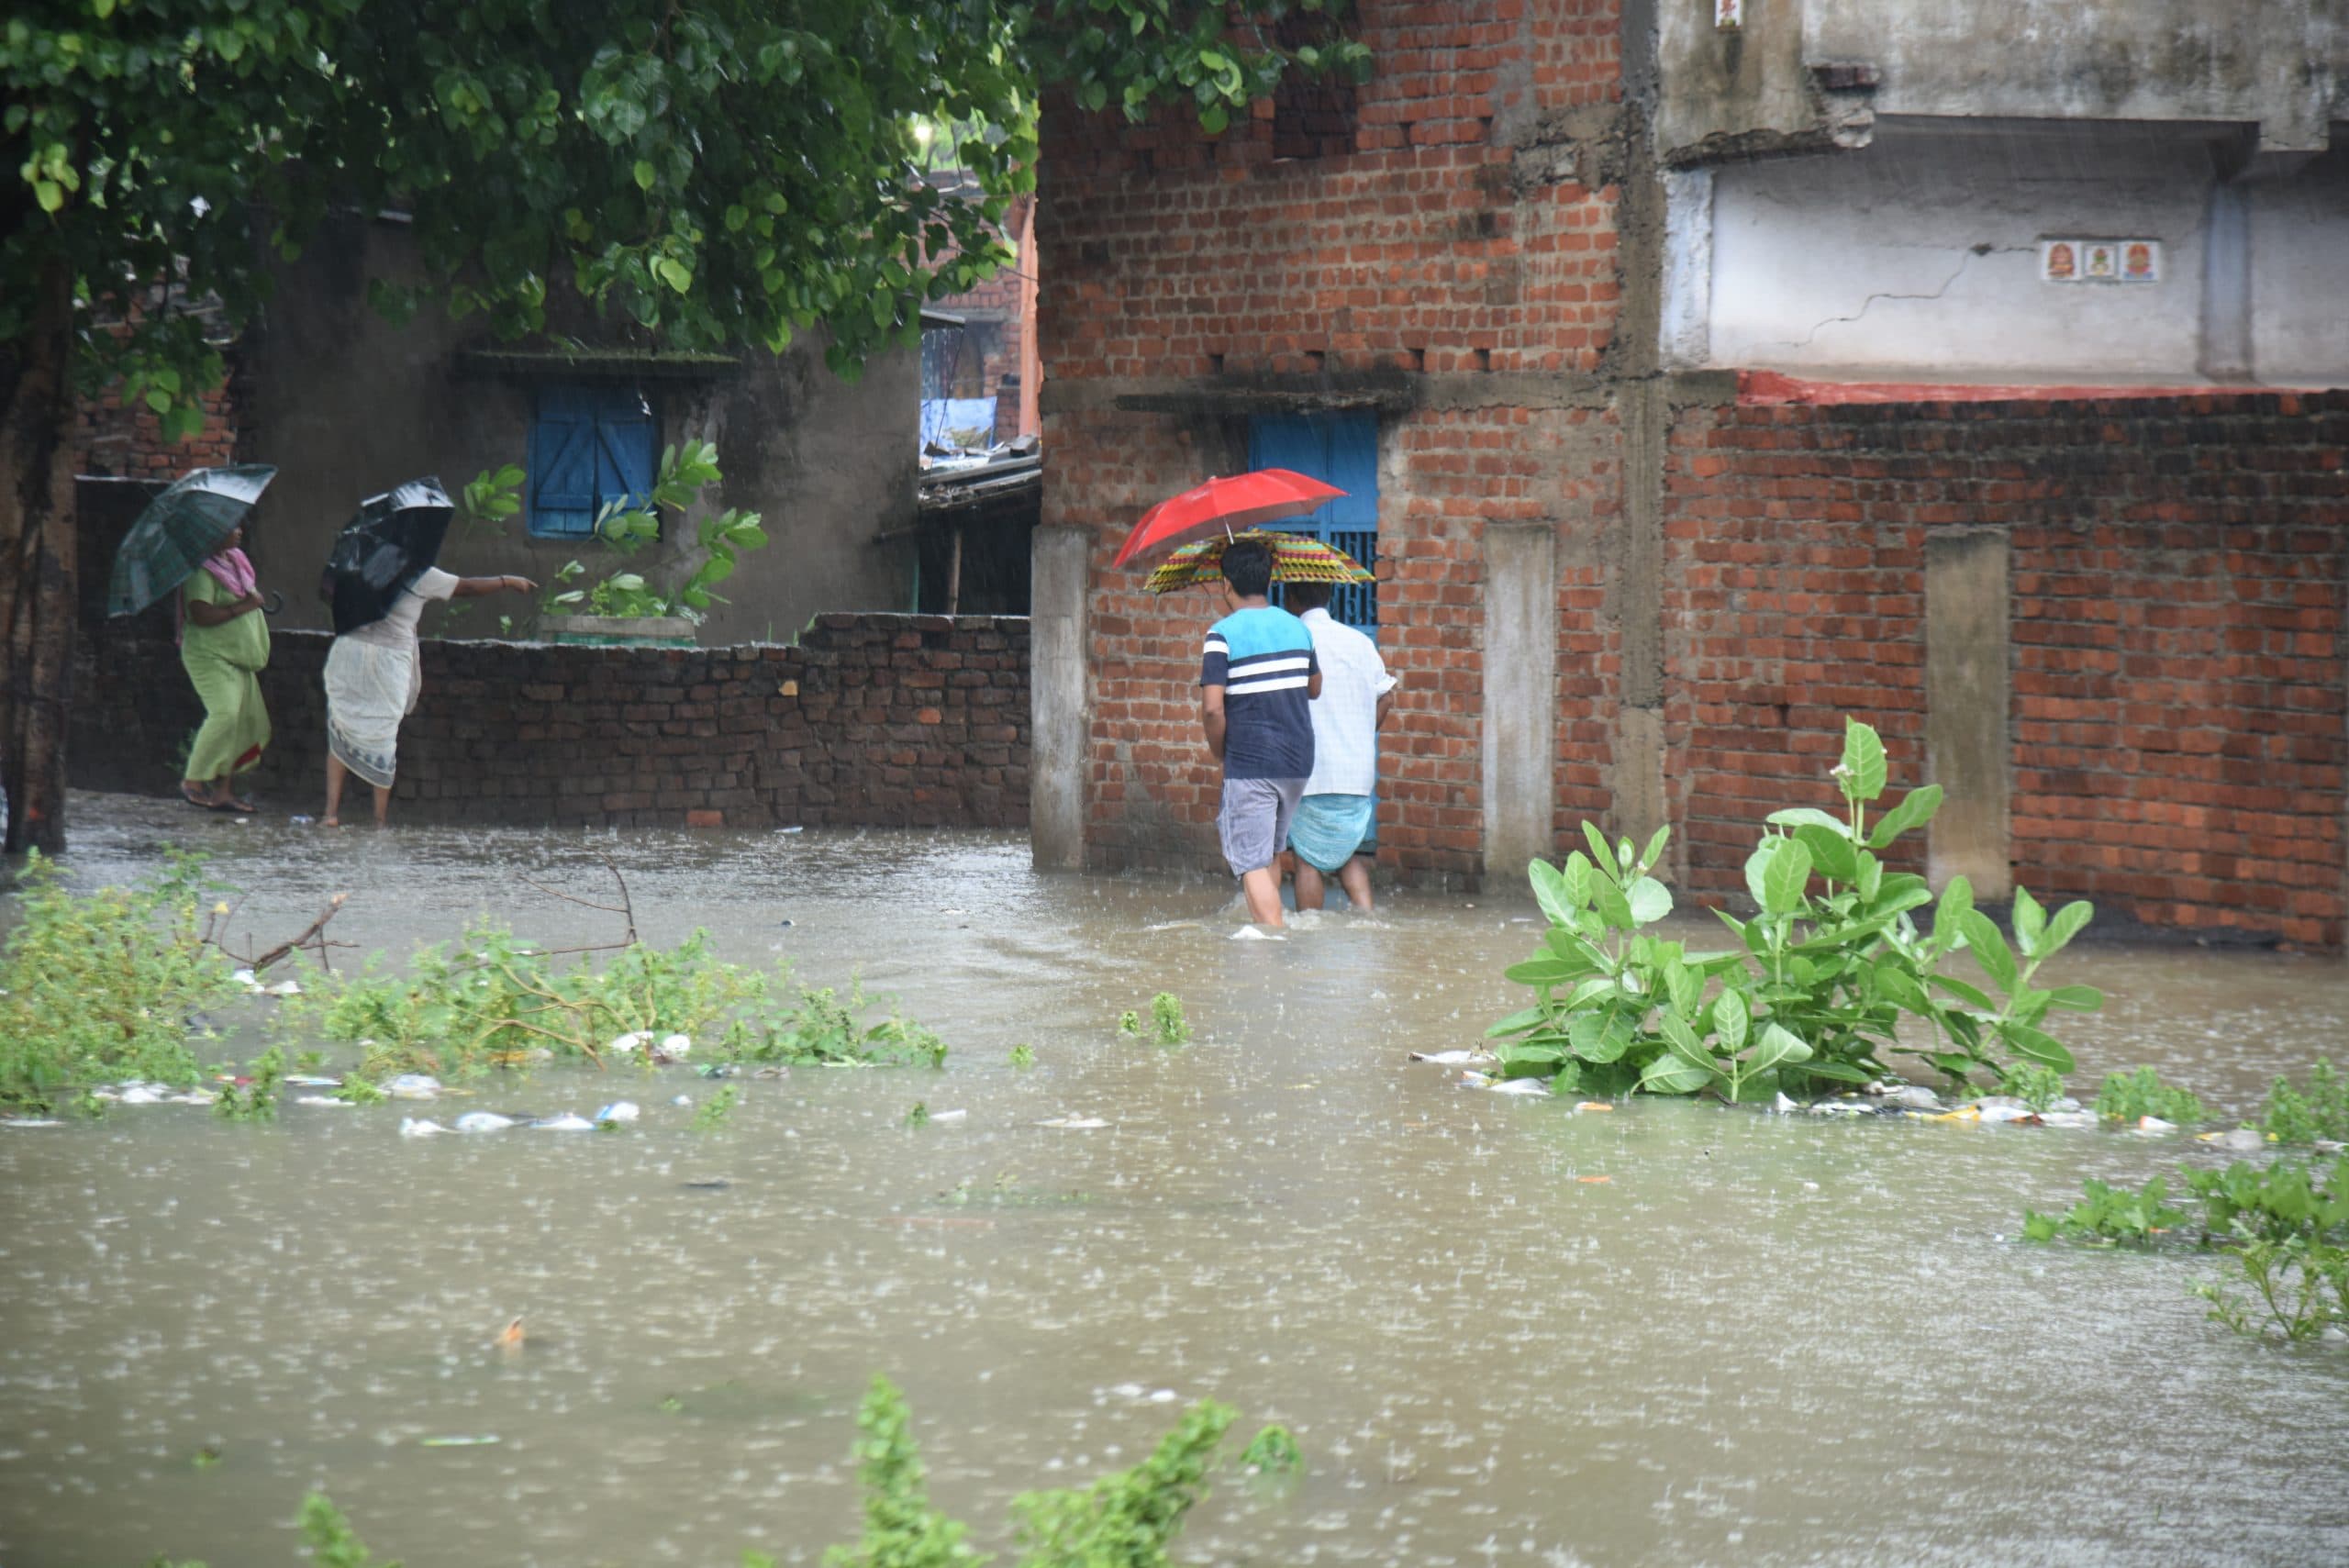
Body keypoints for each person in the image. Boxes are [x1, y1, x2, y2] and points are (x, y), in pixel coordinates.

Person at [321, 567, 535, 827]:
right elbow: (466, 586)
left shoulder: (363, 563)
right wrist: (508, 580)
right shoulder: (419, 573)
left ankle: (331, 813)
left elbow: (333, 594)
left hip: (352, 653)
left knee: (341, 727)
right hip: (390, 660)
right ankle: (378, 819)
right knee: (384, 736)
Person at [1199, 538, 1320, 927]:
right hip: (1298, 762)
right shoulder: (1298, 628)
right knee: (1268, 854)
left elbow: (1213, 708)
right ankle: (1266, 939)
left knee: (1250, 862)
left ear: (1226, 584)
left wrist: (1220, 751)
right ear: (1268, 580)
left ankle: (1273, 944)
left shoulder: (1221, 634)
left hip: (1253, 762)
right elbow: (1315, 688)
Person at [1282, 579, 1397, 911]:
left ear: (1291, 599)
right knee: (1349, 854)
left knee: (1306, 860)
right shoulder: (1360, 642)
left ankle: (1310, 928)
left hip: (1310, 772)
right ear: (1329, 597)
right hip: (1356, 773)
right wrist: (1362, 733)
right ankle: (1367, 919)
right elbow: (1387, 697)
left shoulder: (1294, 640)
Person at [178, 522, 272, 812]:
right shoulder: (200, 571)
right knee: (226, 714)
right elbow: (201, 614)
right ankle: (192, 780)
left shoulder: (235, 561)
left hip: (238, 657)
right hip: (210, 655)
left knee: (244, 722)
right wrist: (245, 607)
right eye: (232, 527)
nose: (240, 530)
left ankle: (223, 793)